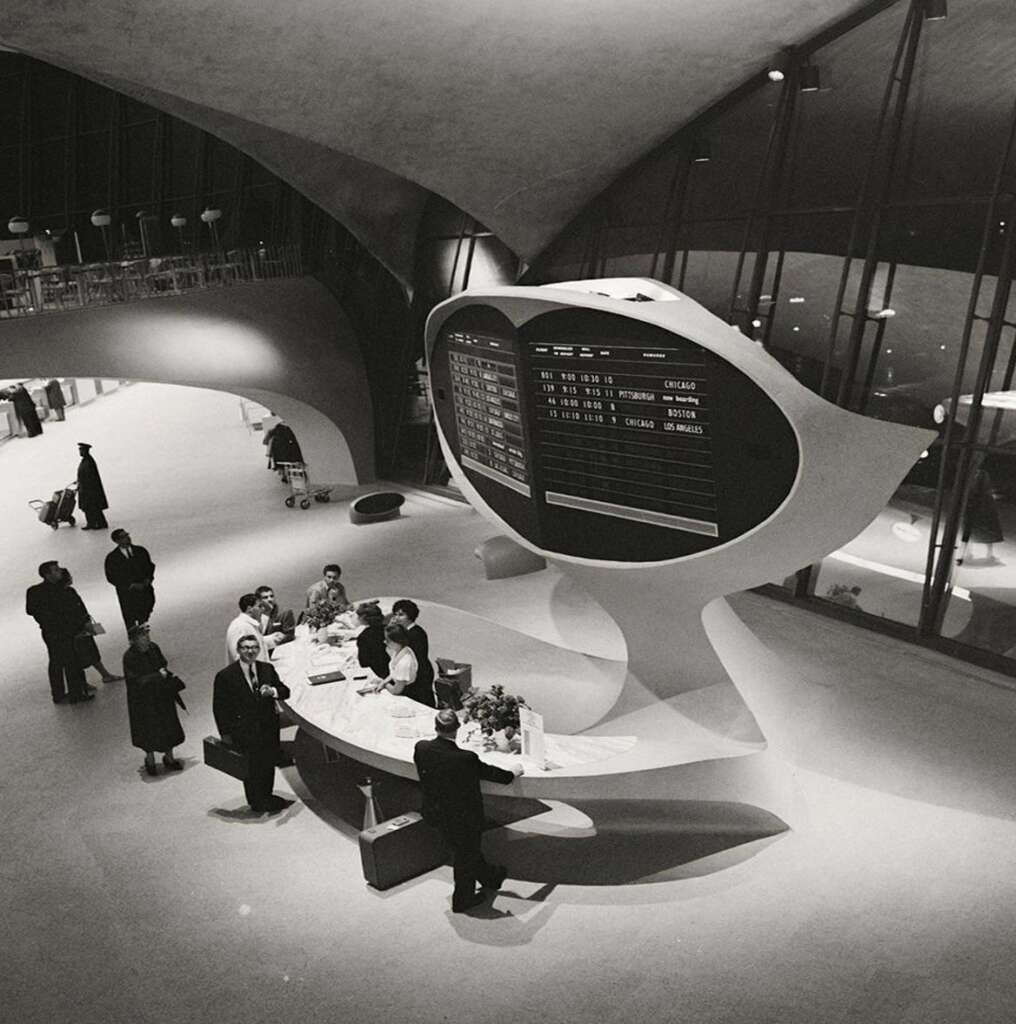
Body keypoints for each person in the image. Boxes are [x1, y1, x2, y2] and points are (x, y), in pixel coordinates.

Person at [414, 709, 523, 913]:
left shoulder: (421, 748)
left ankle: (491, 877)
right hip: (463, 817)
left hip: (435, 811)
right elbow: (493, 774)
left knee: (465, 849)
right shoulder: (465, 758)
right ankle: (462, 900)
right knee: (465, 854)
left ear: (435, 727)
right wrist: (512, 773)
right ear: (457, 730)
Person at [212, 634, 293, 814]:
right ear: (238, 650)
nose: (250, 651)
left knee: (268, 762)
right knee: (251, 766)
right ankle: (256, 801)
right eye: (246, 648)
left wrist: (271, 691)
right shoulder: (226, 676)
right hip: (244, 730)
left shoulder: (267, 669)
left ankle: (268, 796)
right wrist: (225, 734)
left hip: (268, 728)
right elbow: (220, 708)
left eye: (254, 647)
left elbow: (285, 691)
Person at [25, 560, 94, 704]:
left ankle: (67, 693)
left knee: (66, 661)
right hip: (55, 631)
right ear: (47, 574)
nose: (60, 571)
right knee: (64, 661)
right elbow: (33, 610)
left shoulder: (63, 590)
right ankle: (71, 694)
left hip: (65, 630)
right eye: (55, 570)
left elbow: (78, 607)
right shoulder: (40, 591)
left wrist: (84, 621)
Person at [123, 623, 185, 776]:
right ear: (133, 641)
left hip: (161, 695)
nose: (146, 640)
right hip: (143, 701)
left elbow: (163, 664)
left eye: (147, 636)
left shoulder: (153, 648)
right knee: (148, 730)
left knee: (168, 724)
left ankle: (169, 757)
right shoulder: (129, 657)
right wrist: (158, 675)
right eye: (142, 637)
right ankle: (150, 760)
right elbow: (135, 681)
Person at [59, 568, 122, 684]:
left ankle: (99, 677)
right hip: (77, 628)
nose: (71, 577)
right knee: (84, 654)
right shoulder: (66, 593)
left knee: (89, 652)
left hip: (82, 626)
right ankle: (97, 677)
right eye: (69, 576)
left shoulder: (70, 591)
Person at [104, 528, 156, 629]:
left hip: (144, 589)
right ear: (117, 541)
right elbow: (111, 576)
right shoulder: (112, 558)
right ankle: (135, 639)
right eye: (123, 537)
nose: (127, 538)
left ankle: (143, 627)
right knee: (130, 617)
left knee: (146, 607)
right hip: (127, 593)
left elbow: (149, 566)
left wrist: (148, 579)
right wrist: (129, 585)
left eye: (127, 535)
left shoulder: (140, 551)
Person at [390, 599, 435, 706]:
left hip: (421, 672)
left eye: (401, 615)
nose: (397, 618)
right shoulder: (407, 631)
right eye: (395, 614)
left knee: (423, 702)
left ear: (410, 615)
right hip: (417, 670)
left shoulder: (415, 633)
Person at [225, 594, 285, 663]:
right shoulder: (239, 627)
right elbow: (239, 656)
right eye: (259, 606)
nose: (263, 609)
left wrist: (272, 639)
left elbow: (253, 645)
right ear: (249, 609)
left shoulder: (248, 625)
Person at [76, 442, 109, 529]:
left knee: (92, 507)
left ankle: (97, 523)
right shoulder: (86, 460)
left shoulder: (88, 461)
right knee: (91, 507)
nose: (80, 452)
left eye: (81, 450)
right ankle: (94, 523)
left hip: (89, 490)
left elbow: (90, 477)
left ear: (85, 451)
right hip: (86, 489)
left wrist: (83, 487)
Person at [355, 601, 389, 679]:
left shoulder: (364, 637)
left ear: (363, 618)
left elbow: (363, 664)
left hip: (378, 674)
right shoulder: (390, 630)